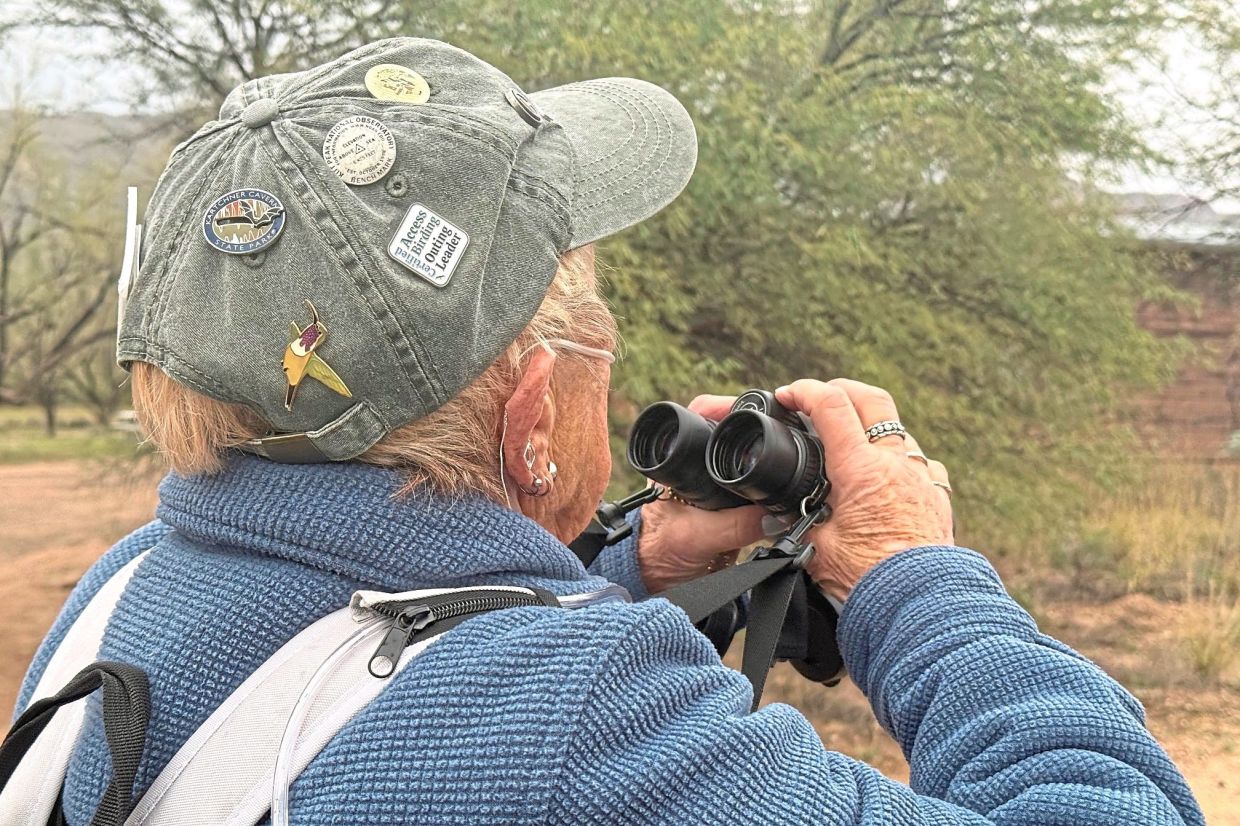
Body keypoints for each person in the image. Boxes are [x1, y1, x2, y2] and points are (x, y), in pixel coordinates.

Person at [15, 37, 1202, 825]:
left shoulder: (128, 588)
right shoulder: (565, 721)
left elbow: (382, 663)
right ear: (532, 418)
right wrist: (914, 572)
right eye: (601, 331)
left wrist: (626, 572)